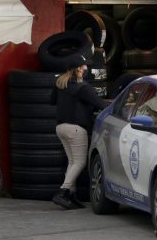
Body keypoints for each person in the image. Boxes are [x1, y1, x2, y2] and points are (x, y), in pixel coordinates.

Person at [50, 54, 109, 210]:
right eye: (84, 66)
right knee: (80, 162)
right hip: (76, 129)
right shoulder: (83, 88)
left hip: (60, 128)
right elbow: (101, 104)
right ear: (77, 69)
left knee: (72, 162)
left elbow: (51, 101)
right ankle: (63, 192)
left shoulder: (60, 83)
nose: (86, 68)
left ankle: (70, 195)